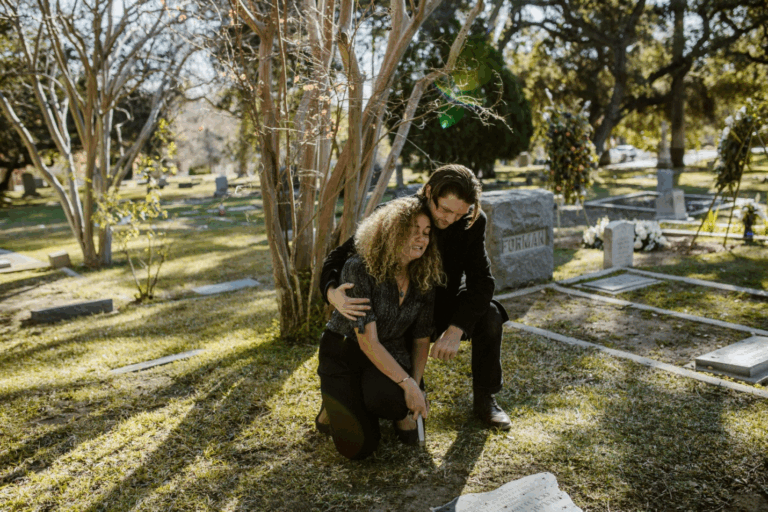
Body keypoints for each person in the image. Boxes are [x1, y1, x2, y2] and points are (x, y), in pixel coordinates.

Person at [319, 165, 511, 430]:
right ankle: (343, 393)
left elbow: (482, 281)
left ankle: (485, 399)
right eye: (444, 209)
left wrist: (456, 329)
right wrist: (332, 294)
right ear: (429, 191)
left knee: (490, 314)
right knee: (397, 405)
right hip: (399, 315)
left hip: (440, 307)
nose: (450, 219)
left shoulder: (471, 222)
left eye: (460, 212)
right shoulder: (398, 214)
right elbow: (338, 258)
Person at [316, 196, 445, 460]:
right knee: (360, 448)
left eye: (426, 233)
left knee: (395, 402)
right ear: (392, 232)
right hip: (345, 353)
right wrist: (408, 385)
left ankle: (359, 399)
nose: (421, 239)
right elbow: (367, 342)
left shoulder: (424, 275)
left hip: (388, 352)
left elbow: (422, 338)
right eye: (413, 232)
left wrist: (416, 387)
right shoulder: (359, 268)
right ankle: (331, 405)